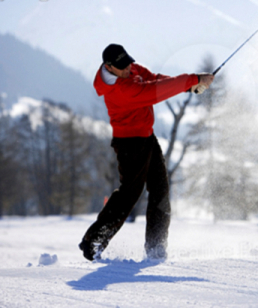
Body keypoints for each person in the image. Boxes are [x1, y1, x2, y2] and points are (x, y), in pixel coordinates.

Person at [79, 44, 214, 261]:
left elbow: (155, 79)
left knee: (160, 190)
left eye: (128, 63)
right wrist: (192, 79)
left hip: (147, 138)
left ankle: (156, 248)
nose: (129, 69)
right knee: (129, 195)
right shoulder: (120, 89)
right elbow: (154, 91)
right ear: (109, 67)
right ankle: (93, 241)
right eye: (122, 67)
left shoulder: (128, 68)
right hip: (129, 145)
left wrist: (189, 87)